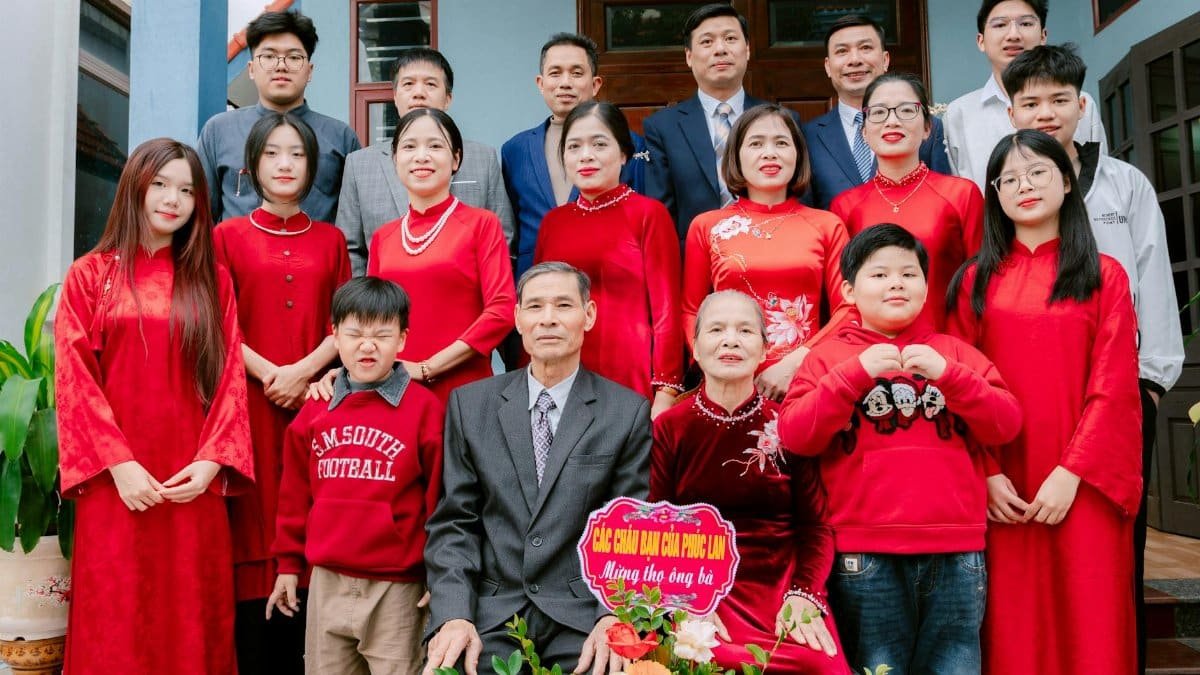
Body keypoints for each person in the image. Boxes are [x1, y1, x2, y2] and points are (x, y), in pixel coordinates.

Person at [1002, 44, 1184, 672]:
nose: (1046, 113)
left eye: (1059, 100)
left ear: (1082, 105)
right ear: (1011, 111)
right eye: (1031, 102)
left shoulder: (1125, 183)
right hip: (1028, 411)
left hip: (1116, 396)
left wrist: (1153, 382)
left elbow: (1154, 281)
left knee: (1110, 567)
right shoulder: (1004, 194)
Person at [780, 224, 1022, 674]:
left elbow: (1005, 423)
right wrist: (853, 375)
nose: (896, 283)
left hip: (957, 551)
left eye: (909, 274)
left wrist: (949, 376)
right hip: (864, 555)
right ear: (849, 291)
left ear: (926, 286)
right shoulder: (829, 358)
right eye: (880, 275)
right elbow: (796, 435)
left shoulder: (955, 353)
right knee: (877, 667)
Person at [55, 138, 254, 674]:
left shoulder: (210, 280)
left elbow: (230, 375)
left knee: (194, 618)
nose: (173, 199)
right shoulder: (90, 277)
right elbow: (74, 382)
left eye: (187, 190)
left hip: (192, 481)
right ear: (135, 186)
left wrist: (212, 461)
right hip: (115, 487)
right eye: (161, 184)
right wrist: (120, 466)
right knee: (115, 619)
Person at [949, 130, 1142, 674]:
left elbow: (1115, 387)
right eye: (1007, 179)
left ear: (1067, 179)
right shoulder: (973, 282)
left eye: (1036, 172)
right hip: (1003, 484)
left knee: (1092, 618)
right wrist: (985, 474)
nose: (1023, 186)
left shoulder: (1105, 277)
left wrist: (1072, 471)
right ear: (995, 196)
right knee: (1012, 626)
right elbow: (959, 387)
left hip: (1085, 481)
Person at [423, 262, 650, 675]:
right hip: (492, 614)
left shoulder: (626, 412)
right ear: (517, 318)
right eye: (535, 307)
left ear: (589, 315)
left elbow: (629, 528)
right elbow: (455, 522)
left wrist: (612, 616)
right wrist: (453, 614)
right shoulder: (471, 406)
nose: (548, 318)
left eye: (564, 305)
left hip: (582, 616)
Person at [212, 112, 351, 674]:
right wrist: (272, 373)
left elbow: (348, 321)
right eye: (273, 154)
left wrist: (306, 371)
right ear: (251, 166)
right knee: (251, 531)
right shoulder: (226, 237)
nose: (286, 163)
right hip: (246, 405)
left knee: (309, 518)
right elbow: (217, 323)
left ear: (312, 167)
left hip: (315, 406)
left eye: (296, 154)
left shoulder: (332, 239)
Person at [650, 290, 849, 674]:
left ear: (764, 348)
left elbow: (816, 526)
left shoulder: (789, 423)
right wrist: (685, 598)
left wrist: (806, 593)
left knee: (819, 665)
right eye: (716, 330)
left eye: (745, 330)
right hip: (699, 584)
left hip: (781, 587)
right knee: (707, 660)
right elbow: (656, 524)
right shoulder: (670, 427)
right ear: (696, 347)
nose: (730, 339)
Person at [268, 277, 443, 675]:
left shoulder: (424, 410)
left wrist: (440, 573)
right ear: (335, 337)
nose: (368, 345)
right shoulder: (316, 408)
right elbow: (295, 492)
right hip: (327, 578)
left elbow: (440, 496)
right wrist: (288, 565)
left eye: (382, 334)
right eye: (355, 334)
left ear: (402, 340)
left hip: (398, 586)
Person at [682, 103, 851, 401]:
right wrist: (719, 366)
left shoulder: (827, 225)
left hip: (806, 382)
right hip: (728, 382)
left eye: (782, 143)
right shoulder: (708, 226)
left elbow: (849, 310)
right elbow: (691, 311)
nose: (770, 153)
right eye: (756, 143)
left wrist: (794, 363)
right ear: (735, 156)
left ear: (798, 155)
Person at [533, 101, 683, 414]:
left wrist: (666, 389)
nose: (586, 155)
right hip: (562, 373)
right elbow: (537, 306)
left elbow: (667, 309)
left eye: (599, 144)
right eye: (574, 146)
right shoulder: (553, 222)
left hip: (629, 372)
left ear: (624, 153)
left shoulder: (648, 215)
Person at [367, 108, 515, 402]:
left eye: (435, 145)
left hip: (465, 390)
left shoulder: (481, 224)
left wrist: (426, 368)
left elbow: (501, 311)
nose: (422, 156)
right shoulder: (383, 237)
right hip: (394, 391)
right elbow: (370, 319)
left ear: (456, 158)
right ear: (395, 159)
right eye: (409, 146)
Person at [337, 47, 514, 276]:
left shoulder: (482, 158)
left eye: (430, 84)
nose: (419, 93)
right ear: (395, 95)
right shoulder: (359, 164)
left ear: (448, 98)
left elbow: (504, 239)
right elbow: (351, 250)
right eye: (408, 84)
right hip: (384, 306)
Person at [829, 73, 983, 329]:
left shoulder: (961, 195)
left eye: (906, 110)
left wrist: (954, 351)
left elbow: (978, 283)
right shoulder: (845, 206)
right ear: (865, 132)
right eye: (878, 112)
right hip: (870, 355)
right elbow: (845, 299)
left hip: (946, 351)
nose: (892, 121)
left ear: (927, 128)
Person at [502, 33, 647, 278]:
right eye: (555, 73)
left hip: (607, 279)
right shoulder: (515, 149)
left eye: (577, 73)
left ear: (596, 83)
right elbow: (513, 225)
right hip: (537, 285)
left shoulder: (629, 145)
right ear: (540, 82)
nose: (565, 82)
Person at [198, 10, 360, 223]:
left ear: (309, 71)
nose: (281, 65)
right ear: (251, 69)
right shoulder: (218, 131)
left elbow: (354, 223)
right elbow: (201, 216)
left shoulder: (341, 137)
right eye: (269, 56)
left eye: (294, 57)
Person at [944, 0, 1106, 190]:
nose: (1013, 35)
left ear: (1043, 35)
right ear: (981, 41)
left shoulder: (1077, 103)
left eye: (1026, 24)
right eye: (1000, 25)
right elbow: (961, 197)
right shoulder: (959, 114)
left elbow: (1100, 181)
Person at [643, 4, 772, 240]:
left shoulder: (778, 120)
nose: (720, 49)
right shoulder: (662, 128)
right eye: (707, 42)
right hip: (694, 263)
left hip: (770, 258)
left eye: (730, 38)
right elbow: (660, 216)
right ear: (689, 57)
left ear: (748, 50)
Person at [804, 15, 951, 210]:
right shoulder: (807, 136)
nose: (854, 60)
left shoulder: (925, 127)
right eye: (842, 51)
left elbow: (944, 201)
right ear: (828, 66)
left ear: (885, 60)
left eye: (865, 48)